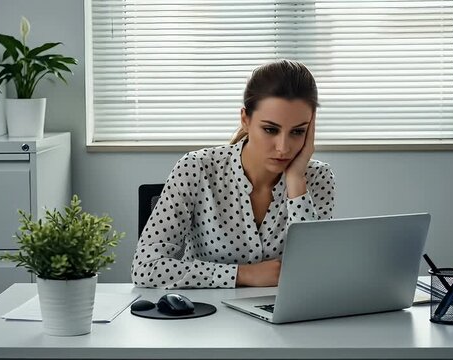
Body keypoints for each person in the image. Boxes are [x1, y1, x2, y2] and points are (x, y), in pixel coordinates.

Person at [131, 59, 335, 289]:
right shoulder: (197, 168)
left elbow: (315, 273)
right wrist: (242, 275)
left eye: (298, 131)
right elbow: (145, 268)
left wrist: (297, 182)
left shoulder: (317, 178)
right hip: (206, 318)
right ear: (245, 120)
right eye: (270, 129)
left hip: (284, 318)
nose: (283, 147)